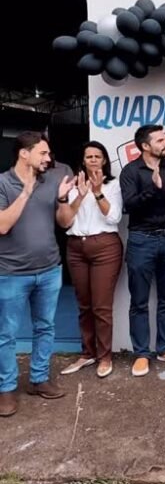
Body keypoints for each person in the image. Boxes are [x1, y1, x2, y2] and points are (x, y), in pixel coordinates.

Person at [0, 132, 75, 416]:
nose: (48, 158)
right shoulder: (2, 183)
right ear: (23, 153)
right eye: (42, 153)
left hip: (49, 270)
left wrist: (65, 199)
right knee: (6, 334)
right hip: (10, 273)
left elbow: (65, 224)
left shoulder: (52, 182)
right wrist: (27, 191)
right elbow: (3, 226)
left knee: (45, 327)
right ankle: (6, 388)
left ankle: (38, 379)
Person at [118, 124, 165, 377]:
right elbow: (130, 206)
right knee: (139, 301)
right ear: (145, 146)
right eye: (160, 140)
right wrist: (155, 188)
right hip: (141, 240)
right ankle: (141, 354)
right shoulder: (130, 171)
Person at [60, 141, 125, 379]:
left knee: (101, 306)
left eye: (98, 156)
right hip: (76, 247)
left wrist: (97, 193)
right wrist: (80, 194)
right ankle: (87, 353)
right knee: (84, 304)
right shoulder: (73, 185)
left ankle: (105, 356)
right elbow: (65, 221)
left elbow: (114, 216)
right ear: (83, 160)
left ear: (105, 160)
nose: (94, 160)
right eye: (89, 156)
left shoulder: (113, 185)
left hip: (104, 247)